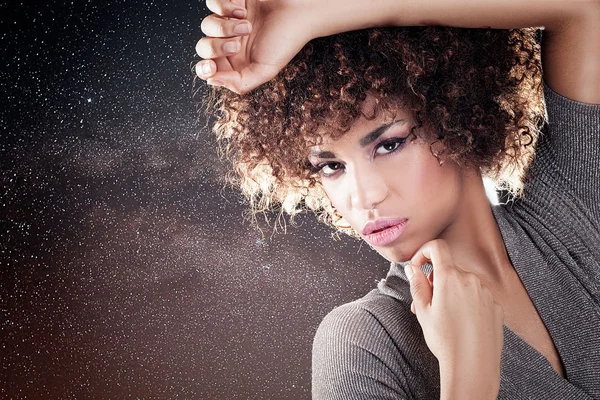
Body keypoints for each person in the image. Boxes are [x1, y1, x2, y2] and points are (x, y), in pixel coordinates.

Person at [195, 0, 600, 398]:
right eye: (331, 167)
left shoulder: (571, 208)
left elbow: (582, 9)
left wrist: (310, 12)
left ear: (457, 113)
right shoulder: (365, 344)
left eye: (389, 145)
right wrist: (470, 374)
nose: (364, 196)